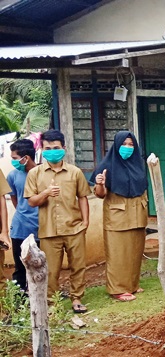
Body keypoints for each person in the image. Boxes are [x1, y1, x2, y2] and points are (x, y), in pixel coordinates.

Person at [25, 130, 91, 313]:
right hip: (48, 230)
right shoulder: (35, 174)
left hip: (74, 227)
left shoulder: (75, 172)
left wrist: (85, 222)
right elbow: (31, 201)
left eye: (56, 148)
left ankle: (77, 298)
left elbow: (83, 197)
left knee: (78, 265)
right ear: (42, 149)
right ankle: (52, 302)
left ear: (64, 148)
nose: (52, 151)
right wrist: (45, 193)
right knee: (51, 270)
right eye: (48, 148)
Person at [91, 131, 149, 302]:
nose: (128, 148)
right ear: (116, 145)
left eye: (131, 144)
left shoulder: (138, 163)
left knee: (135, 251)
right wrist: (100, 184)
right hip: (117, 216)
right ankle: (117, 288)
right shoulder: (107, 165)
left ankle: (132, 284)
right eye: (124, 144)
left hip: (137, 214)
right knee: (118, 254)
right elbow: (100, 194)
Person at [7, 139, 38, 293]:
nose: (12, 161)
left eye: (14, 158)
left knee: (39, 265)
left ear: (25, 157)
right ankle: (20, 298)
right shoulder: (12, 176)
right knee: (20, 267)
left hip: (42, 227)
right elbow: (15, 199)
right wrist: (24, 212)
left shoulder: (43, 173)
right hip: (20, 228)